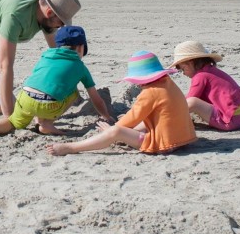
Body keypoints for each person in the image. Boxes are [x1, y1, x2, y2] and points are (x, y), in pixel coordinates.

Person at [0, 26, 114, 138]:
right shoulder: (80, 66)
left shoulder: (46, 55)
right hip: (49, 105)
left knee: (12, 122)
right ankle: (47, 124)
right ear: (80, 47)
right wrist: (106, 116)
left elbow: (39, 78)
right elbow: (96, 98)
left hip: (25, 97)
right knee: (73, 92)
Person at [47, 51, 196, 156]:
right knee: (146, 120)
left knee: (116, 132)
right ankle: (121, 135)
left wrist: (111, 130)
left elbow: (130, 119)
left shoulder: (150, 92)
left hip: (165, 145)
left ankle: (71, 148)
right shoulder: (168, 83)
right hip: (183, 139)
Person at [170, 41, 240, 131]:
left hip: (231, 121)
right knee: (188, 99)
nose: (183, 73)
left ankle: (167, 120)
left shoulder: (200, 76)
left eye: (183, 69)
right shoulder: (211, 71)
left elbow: (190, 101)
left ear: (191, 63)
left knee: (192, 102)